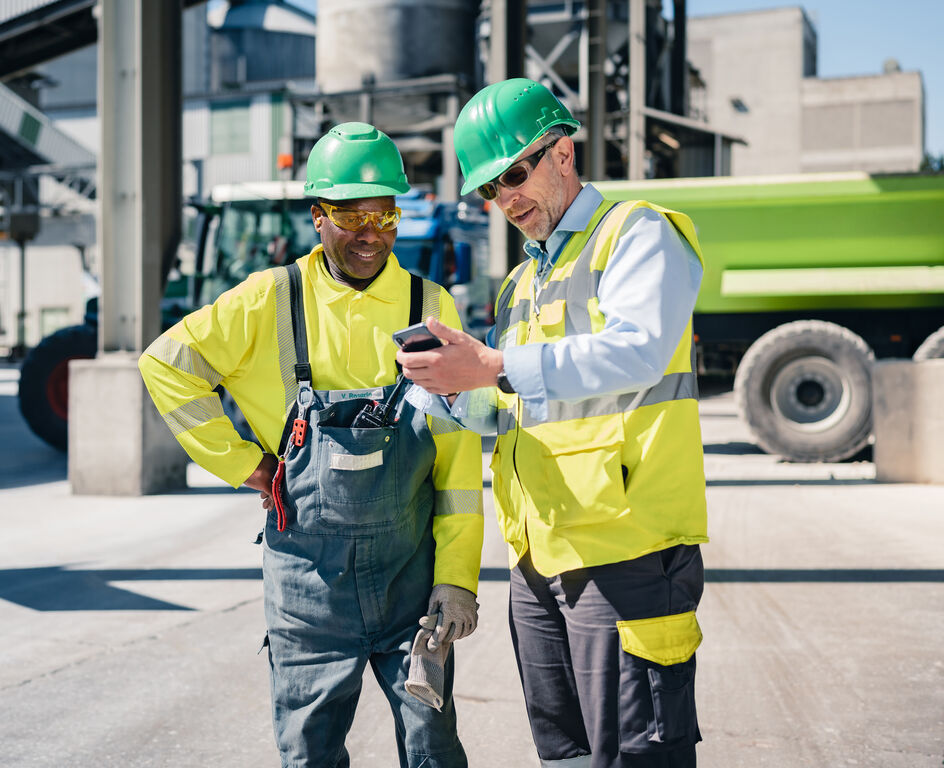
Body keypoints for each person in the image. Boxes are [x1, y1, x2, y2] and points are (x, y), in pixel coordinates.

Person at [139, 122, 483, 768]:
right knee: (310, 754)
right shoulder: (268, 300)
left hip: (411, 580)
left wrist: (456, 579)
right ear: (317, 216)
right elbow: (166, 364)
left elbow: (456, 458)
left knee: (433, 749)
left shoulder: (428, 303)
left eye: (384, 215)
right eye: (352, 215)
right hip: (308, 590)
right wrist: (244, 464)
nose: (370, 234)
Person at [398, 78, 708, 768]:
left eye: (513, 175)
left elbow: (638, 350)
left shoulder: (636, 234)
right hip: (539, 559)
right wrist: (447, 391)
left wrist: (493, 364)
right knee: (563, 755)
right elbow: (514, 401)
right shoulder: (521, 282)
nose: (505, 199)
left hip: (625, 549)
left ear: (562, 153)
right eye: (489, 190)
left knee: (634, 756)